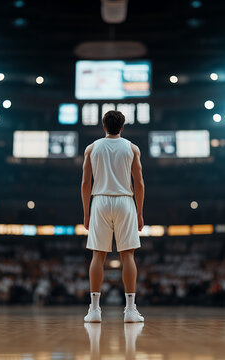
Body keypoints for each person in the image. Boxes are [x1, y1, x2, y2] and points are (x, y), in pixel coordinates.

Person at [81, 110, 145, 323]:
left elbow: (85, 184)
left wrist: (86, 212)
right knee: (128, 255)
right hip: (125, 201)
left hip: (99, 199)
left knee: (98, 255)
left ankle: (94, 310)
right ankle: (130, 310)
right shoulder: (132, 148)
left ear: (103, 125)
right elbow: (140, 184)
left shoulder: (92, 148)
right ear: (123, 127)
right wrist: (140, 212)